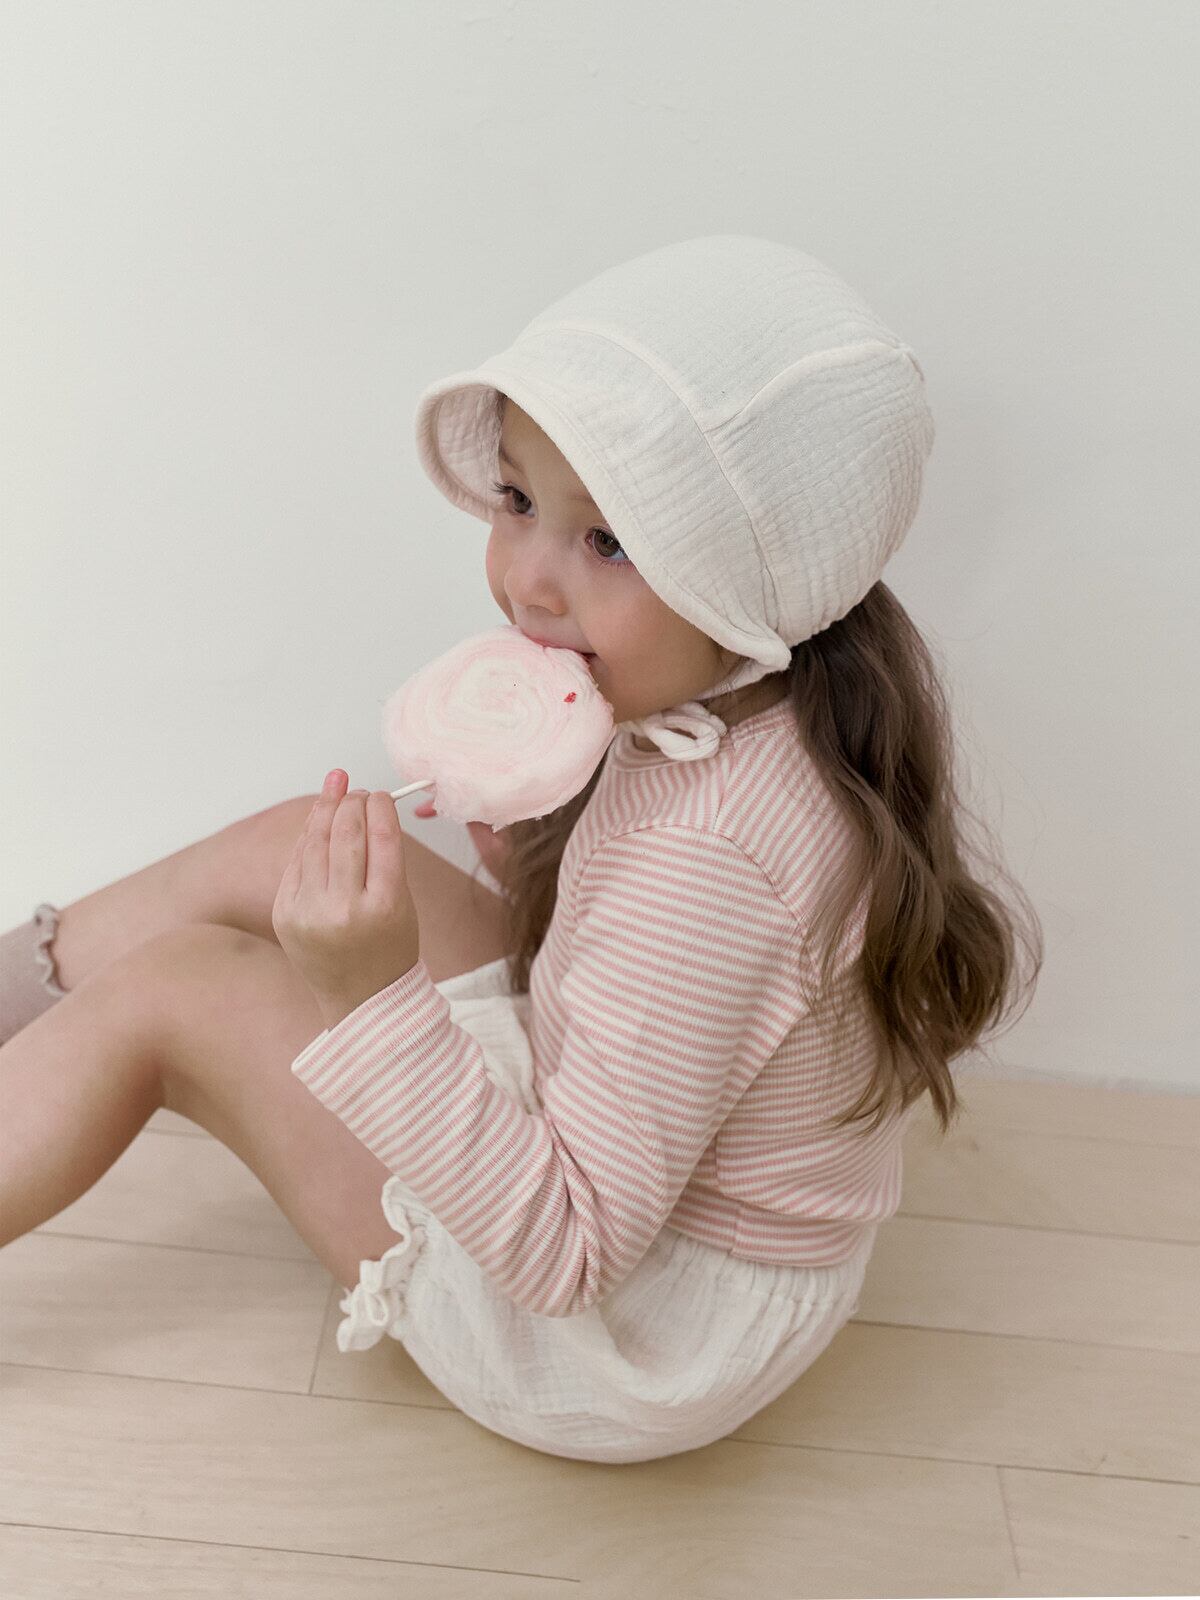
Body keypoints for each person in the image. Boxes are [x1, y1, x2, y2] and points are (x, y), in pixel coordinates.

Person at [0, 235, 1041, 1464]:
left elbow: (567, 1252)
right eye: (517, 500)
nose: (528, 582)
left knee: (182, 994)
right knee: (301, 840)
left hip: (625, 1326)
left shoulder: (712, 864)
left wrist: (368, 994)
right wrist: (531, 868)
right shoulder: (746, 694)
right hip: (630, 1161)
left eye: (609, 542)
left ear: (745, 585)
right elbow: (652, 988)